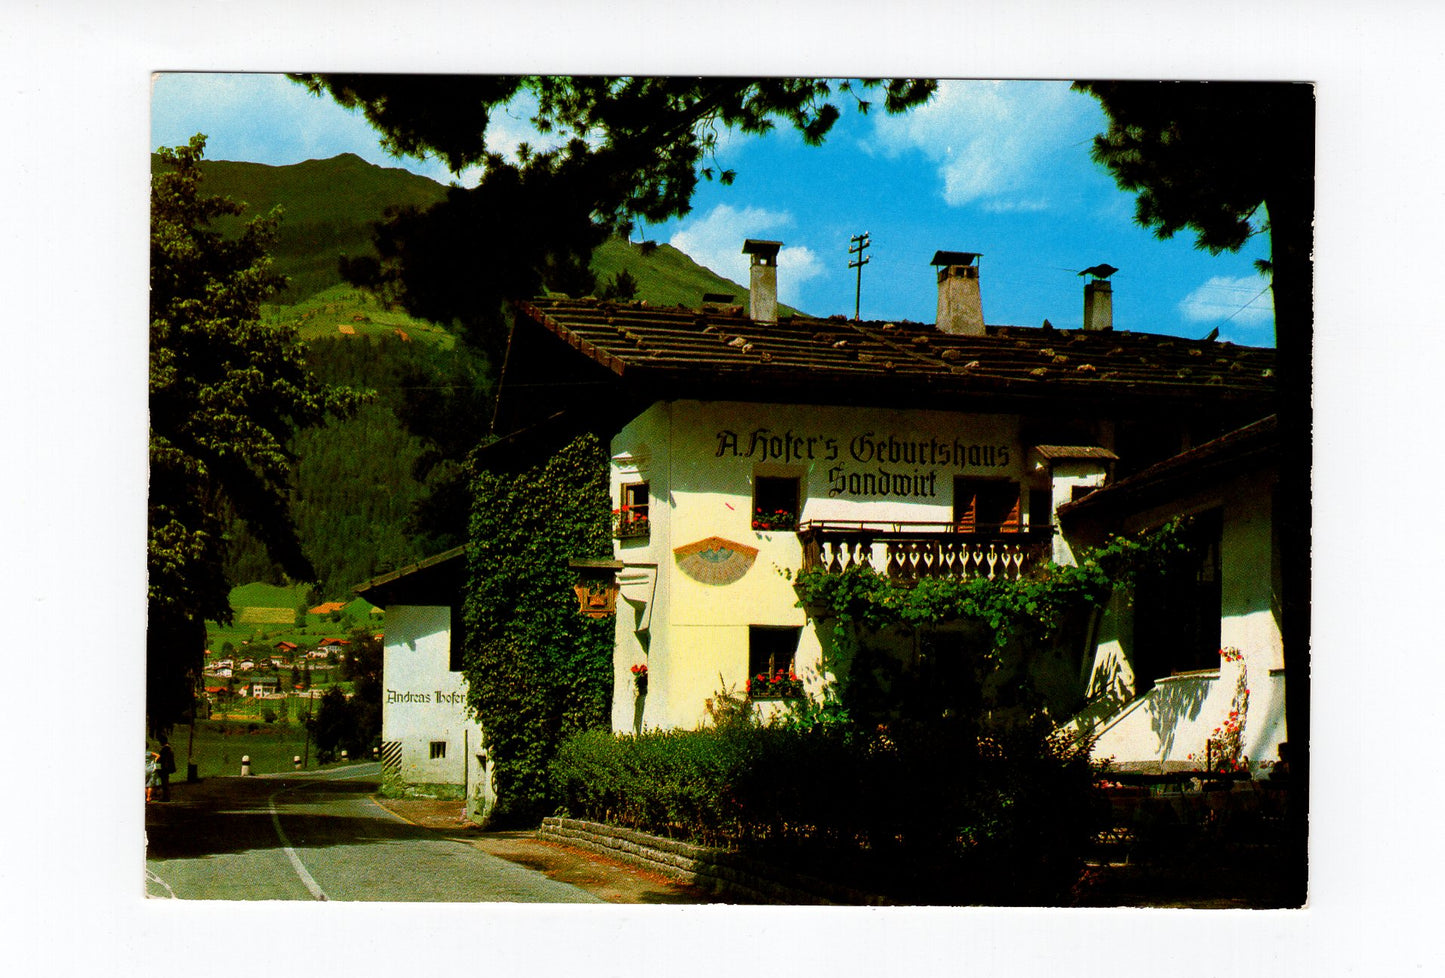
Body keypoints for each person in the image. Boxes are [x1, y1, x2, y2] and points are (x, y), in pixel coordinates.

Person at [157, 736, 176, 802]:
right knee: (165, 782)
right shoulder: (169, 749)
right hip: (167, 768)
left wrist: (157, 768)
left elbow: (161, 760)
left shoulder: (165, 749)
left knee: (164, 783)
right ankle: (166, 797)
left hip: (164, 768)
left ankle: (166, 797)